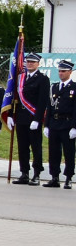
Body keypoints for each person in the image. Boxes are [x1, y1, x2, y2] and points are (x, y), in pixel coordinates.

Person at [8, 52, 50, 185]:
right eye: (28, 62)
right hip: (20, 118)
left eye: (33, 62)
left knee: (36, 147)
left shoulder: (42, 79)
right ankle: (24, 173)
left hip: (33, 118)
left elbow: (43, 101)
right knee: (22, 147)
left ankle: (37, 174)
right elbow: (13, 98)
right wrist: (10, 115)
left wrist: (37, 119)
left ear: (38, 64)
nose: (30, 64)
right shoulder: (20, 78)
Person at [43, 59, 76, 189]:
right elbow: (49, 107)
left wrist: (74, 127)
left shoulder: (74, 87)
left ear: (70, 72)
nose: (61, 73)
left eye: (63, 71)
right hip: (54, 123)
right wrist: (46, 125)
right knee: (54, 152)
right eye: (59, 71)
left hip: (67, 124)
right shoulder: (54, 87)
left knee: (69, 152)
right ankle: (54, 177)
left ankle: (68, 178)